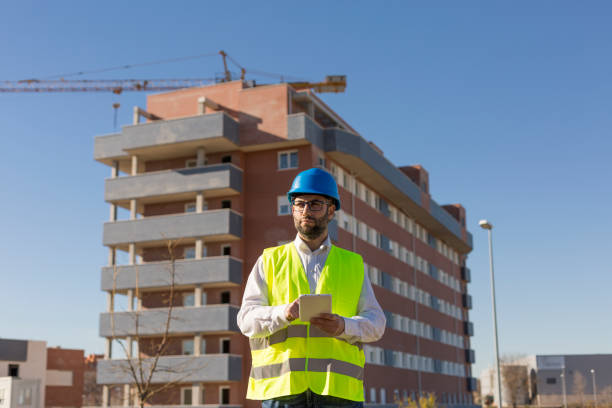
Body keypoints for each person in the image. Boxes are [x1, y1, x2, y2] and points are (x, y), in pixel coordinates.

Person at [237, 167, 386, 408]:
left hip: (338, 394)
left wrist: (343, 325)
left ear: (331, 210)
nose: (306, 210)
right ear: (293, 209)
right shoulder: (270, 260)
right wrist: (284, 313)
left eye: (315, 204)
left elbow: (377, 323)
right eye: (299, 203)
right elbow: (245, 320)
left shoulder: (352, 264)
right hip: (282, 393)